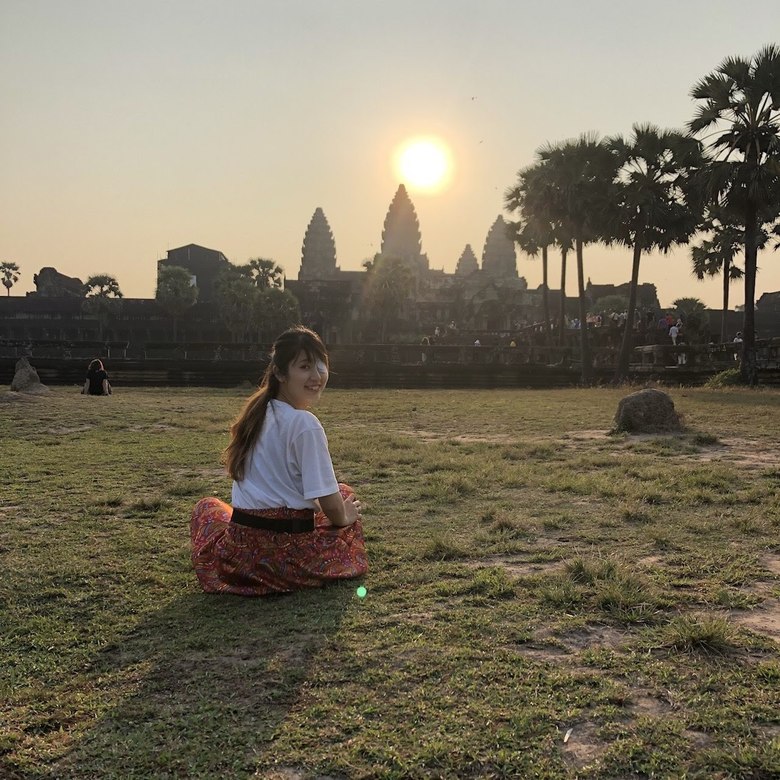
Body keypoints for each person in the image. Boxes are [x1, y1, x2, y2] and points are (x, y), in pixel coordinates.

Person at [190, 326, 367, 596]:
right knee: (344, 495)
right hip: (289, 559)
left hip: (241, 556)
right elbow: (331, 504)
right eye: (305, 367)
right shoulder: (305, 423)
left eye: (321, 365)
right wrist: (346, 517)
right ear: (281, 373)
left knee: (207, 507)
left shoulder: (257, 414)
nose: (317, 375)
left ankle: (250, 571)